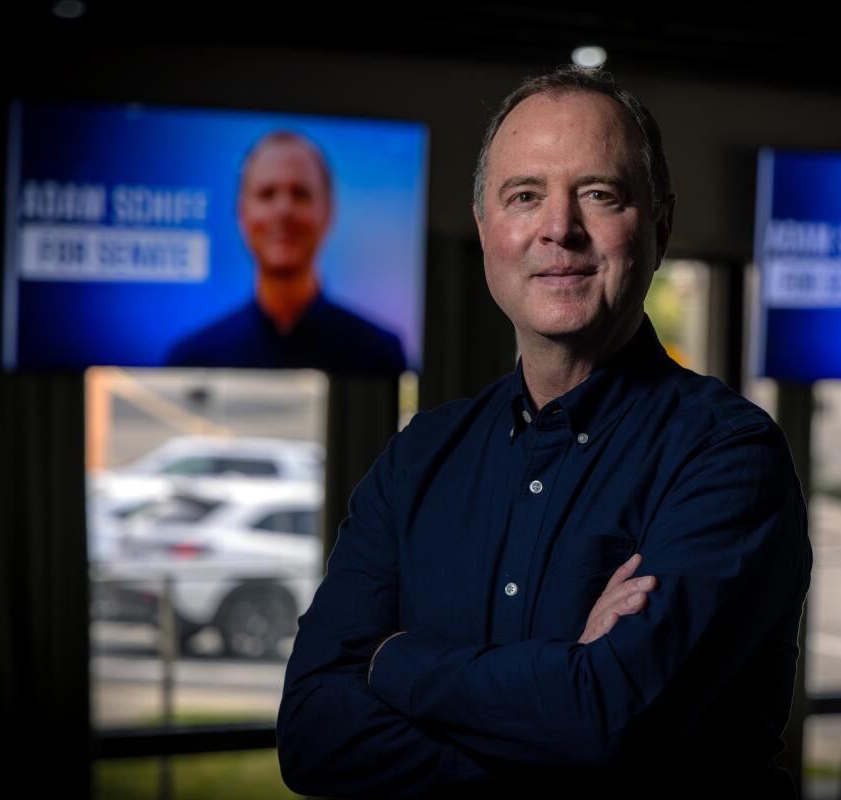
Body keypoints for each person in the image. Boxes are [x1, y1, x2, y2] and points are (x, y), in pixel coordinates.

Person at [276, 67, 812, 797]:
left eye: (600, 194)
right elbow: (311, 735)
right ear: (486, 230)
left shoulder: (727, 458)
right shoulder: (420, 457)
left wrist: (390, 661)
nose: (559, 228)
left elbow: (606, 723)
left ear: (658, 227)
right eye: (524, 196)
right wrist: (558, 702)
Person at [166, 130, 407, 373]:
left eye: (300, 194)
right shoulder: (193, 359)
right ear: (242, 214)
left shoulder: (379, 355)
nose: (283, 211)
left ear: (329, 212)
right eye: (267, 194)